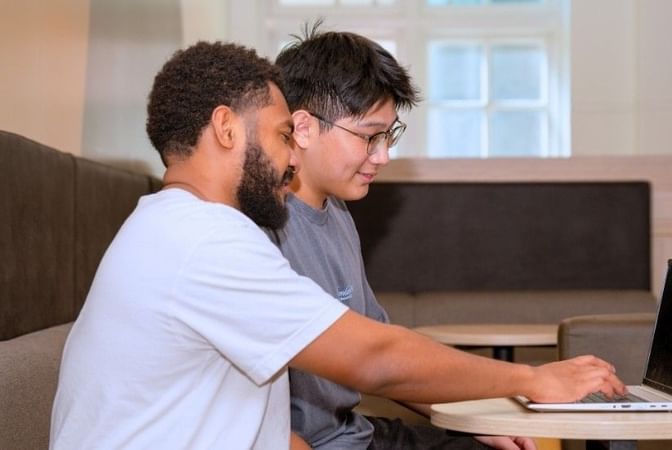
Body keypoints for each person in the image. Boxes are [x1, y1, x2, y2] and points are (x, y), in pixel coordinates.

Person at [50, 41, 624, 450]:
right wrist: (533, 380)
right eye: (280, 136)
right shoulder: (203, 237)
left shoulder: (180, 227)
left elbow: (258, 428)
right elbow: (372, 359)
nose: (291, 156)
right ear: (227, 130)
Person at [269, 27, 599, 450]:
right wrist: (532, 380)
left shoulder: (337, 213)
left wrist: (474, 418)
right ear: (303, 128)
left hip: (357, 434)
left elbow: (389, 357)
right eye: (370, 136)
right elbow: (252, 417)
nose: (383, 156)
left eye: (389, 136)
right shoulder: (262, 229)